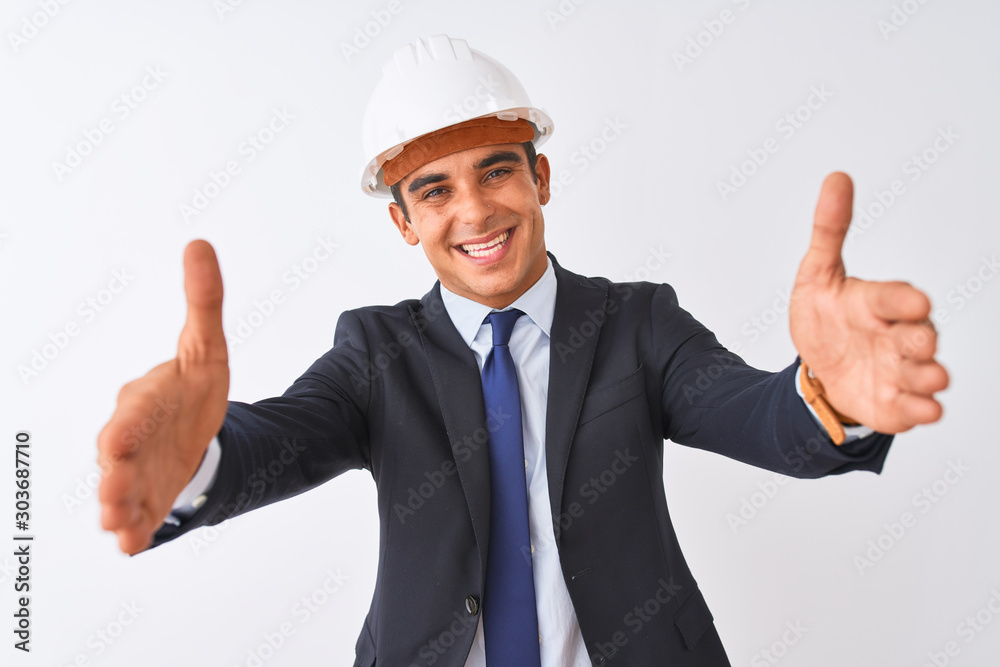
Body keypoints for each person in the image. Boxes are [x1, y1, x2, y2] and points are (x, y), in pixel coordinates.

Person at [97, 35, 948, 666]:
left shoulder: (637, 324)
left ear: (540, 179)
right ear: (402, 222)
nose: (474, 211)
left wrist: (827, 395)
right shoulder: (375, 352)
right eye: (435, 189)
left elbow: (758, 415)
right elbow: (282, 439)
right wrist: (194, 460)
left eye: (497, 171)